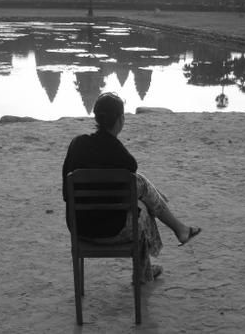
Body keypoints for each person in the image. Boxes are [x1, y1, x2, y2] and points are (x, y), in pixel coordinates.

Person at [62, 92, 201, 283]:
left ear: (97, 118)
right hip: (113, 232)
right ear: (120, 120)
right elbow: (128, 201)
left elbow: (65, 194)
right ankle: (172, 237)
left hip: (79, 228)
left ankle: (153, 261)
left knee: (141, 200)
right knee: (142, 208)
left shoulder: (77, 144)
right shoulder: (123, 159)